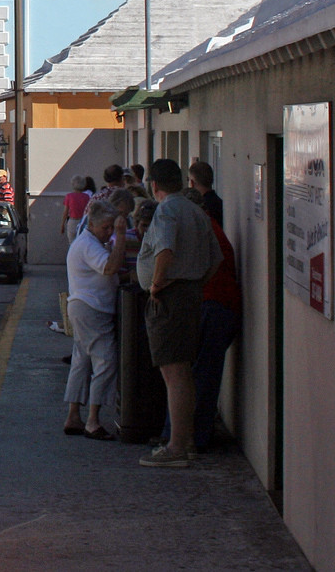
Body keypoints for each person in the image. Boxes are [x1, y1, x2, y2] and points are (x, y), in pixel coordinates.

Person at [136, 158, 225, 468]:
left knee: (173, 372)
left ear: (154, 185)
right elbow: (216, 258)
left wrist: (158, 284)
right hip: (190, 294)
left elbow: (166, 249)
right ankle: (184, 440)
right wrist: (196, 282)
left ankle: (175, 447)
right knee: (183, 372)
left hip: (170, 298)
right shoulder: (196, 210)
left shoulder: (168, 210)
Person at [64, 199, 130, 440]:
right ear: (92, 224)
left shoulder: (86, 242)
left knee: (82, 362)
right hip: (92, 309)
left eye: (112, 227)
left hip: (83, 307)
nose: (109, 231)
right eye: (106, 227)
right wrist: (121, 236)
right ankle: (93, 420)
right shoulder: (89, 245)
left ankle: (73, 415)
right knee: (106, 360)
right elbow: (110, 267)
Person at [186, 160, 241, 451]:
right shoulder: (212, 224)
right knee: (202, 374)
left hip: (215, 305)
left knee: (202, 376)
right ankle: (194, 433)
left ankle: (195, 437)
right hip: (218, 304)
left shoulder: (202, 229)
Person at [62, 175, 90, 244]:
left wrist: (62, 224)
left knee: (72, 243)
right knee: (82, 242)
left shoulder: (69, 196)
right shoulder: (86, 197)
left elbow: (65, 212)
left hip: (72, 221)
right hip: (83, 221)